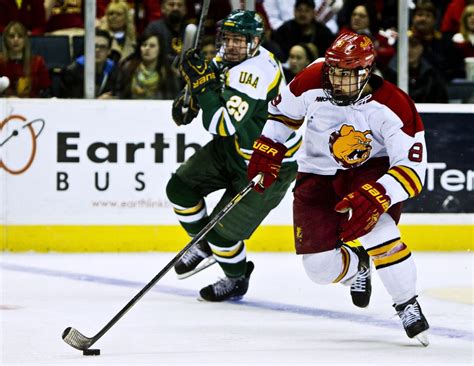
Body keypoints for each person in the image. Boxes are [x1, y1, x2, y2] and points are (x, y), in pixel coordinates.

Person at [246, 32, 430, 346]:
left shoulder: (394, 106)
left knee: (379, 231)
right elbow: (283, 114)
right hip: (316, 174)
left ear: (366, 72)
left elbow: (412, 170)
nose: (335, 80)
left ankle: (406, 302)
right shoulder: (313, 79)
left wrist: (376, 195)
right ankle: (357, 267)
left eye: (345, 74)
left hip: (368, 173)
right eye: (333, 71)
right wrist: (268, 146)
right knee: (317, 269)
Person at [166, 10, 302, 302]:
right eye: (228, 39)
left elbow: (222, 124)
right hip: (236, 149)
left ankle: (236, 277)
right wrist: (190, 94)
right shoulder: (232, 57)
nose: (232, 45)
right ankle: (202, 244)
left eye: (240, 40)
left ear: (255, 43)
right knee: (179, 188)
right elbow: (212, 79)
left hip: (269, 164)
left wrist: (202, 89)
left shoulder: (254, 73)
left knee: (221, 236)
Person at [116, 31, 180, 99]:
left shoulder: (169, 74)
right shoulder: (128, 68)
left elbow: (174, 100)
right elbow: (119, 94)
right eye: (144, 45)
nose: (147, 48)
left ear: (160, 49)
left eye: (152, 46)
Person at [60, 29, 119, 98]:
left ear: (109, 51)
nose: (97, 50)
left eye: (102, 47)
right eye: (94, 46)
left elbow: (121, 97)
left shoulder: (116, 71)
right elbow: (69, 102)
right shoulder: (71, 72)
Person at [0, 21, 51, 97]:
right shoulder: (1, 62)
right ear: (5, 40)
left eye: (20, 36)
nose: (16, 39)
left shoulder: (37, 62)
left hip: (32, 105)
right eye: (11, 36)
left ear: (25, 40)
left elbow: (46, 91)